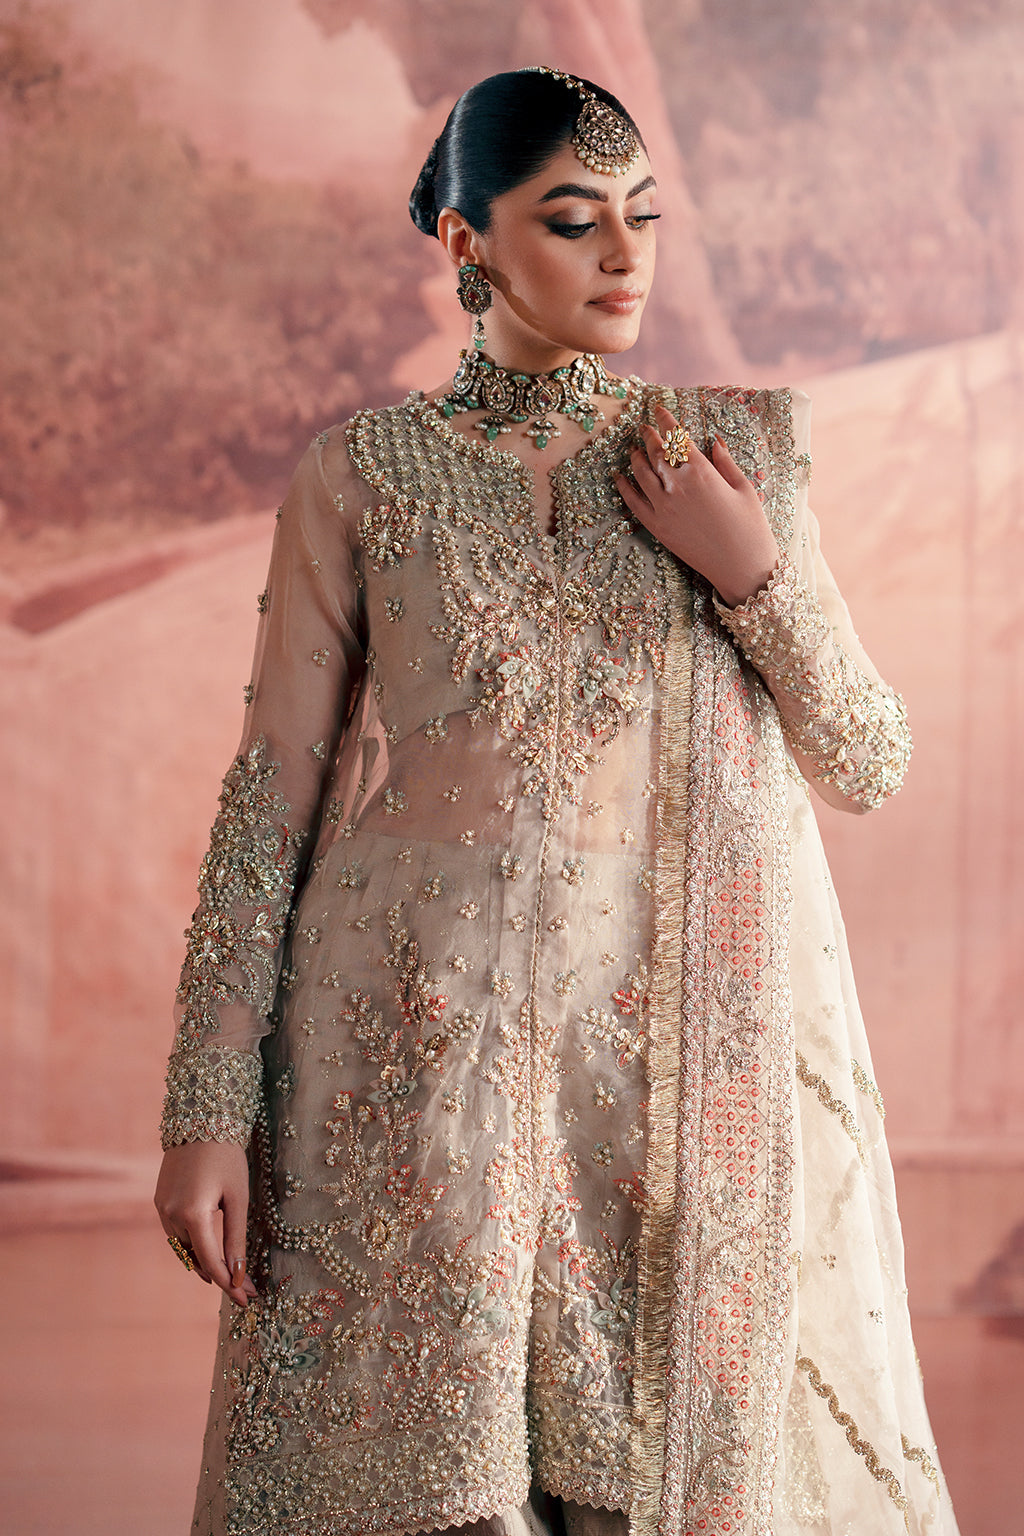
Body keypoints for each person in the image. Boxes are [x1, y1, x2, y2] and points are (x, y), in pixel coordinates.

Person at [155, 67, 959, 1536]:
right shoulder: (363, 477)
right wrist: (206, 1109)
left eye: (644, 217)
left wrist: (752, 574)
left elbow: (867, 757)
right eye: (576, 221)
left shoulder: (723, 458)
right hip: (406, 1064)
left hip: (661, 1089)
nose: (625, 256)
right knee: (434, 1493)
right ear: (467, 244)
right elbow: (270, 804)